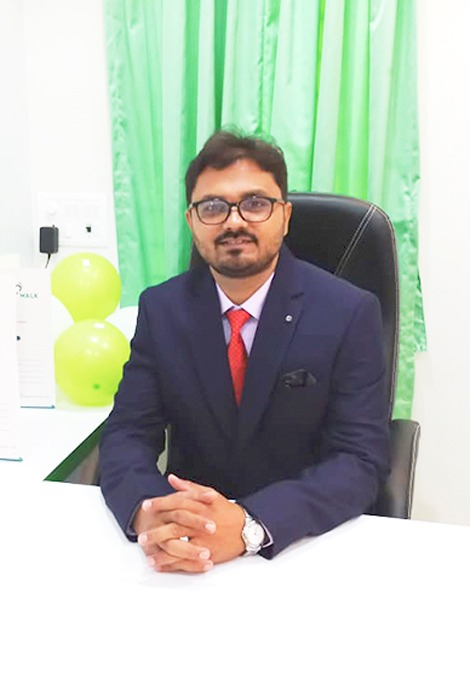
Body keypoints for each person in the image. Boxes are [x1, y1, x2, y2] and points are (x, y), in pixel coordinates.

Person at [99, 130, 390, 574]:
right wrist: (151, 511)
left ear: (285, 216)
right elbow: (127, 433)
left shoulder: (348, 312)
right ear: (192, 221)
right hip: (186, 552)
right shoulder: (162, 309)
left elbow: (360, 460)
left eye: (255, 203)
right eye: (213, 207)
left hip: (299, 547)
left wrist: (249, 525)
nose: (234, 221)